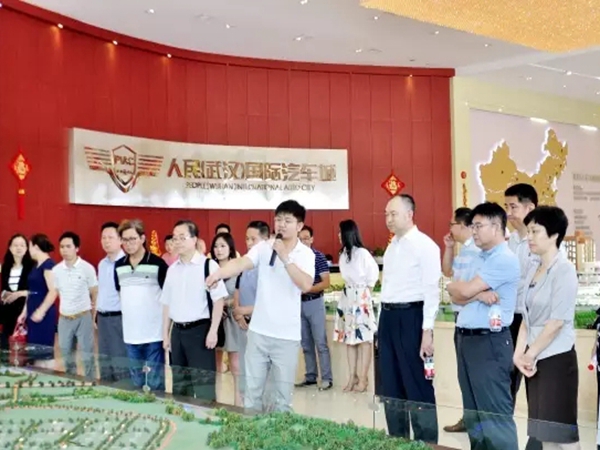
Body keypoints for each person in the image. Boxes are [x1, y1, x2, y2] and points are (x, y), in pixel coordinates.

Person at [206, 200, 315, 413]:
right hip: (258, 333)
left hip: (286, 337)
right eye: (278, 219)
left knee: (282, 399)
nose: (281, 224)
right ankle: (252, 432)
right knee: (252, 394)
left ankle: (278, 433)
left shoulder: (306, 254)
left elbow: (305, 284)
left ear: (299, 226)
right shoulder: (264, 248)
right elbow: (241, 263)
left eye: (287, 220)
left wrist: (285, 257)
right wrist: (219, 273)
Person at [447, 202, 520, 450]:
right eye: (473, 226)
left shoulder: (503, 259)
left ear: (496, 227)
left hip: (489, 342)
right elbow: (452, 292)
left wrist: (469, 292)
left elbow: (463, 290)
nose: (474, 231)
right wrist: (477, 294)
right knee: (473, 414)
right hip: (466, 340)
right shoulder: (477, 257)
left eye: (478, 226)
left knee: (494, 415)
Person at [514, 206, 580, 449]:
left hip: (556, 359)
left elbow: (556, 323)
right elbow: (526, 318)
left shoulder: (564, 270)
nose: (529, 237)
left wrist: (529, 354)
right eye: (529, 231)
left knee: (562, 436)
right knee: (544, 435)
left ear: (554, 235)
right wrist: (519, 354)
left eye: (536, 231)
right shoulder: (533, 269)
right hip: (534, 361)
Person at [379, 194, 440, 444]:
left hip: (412, 318)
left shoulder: (425, 246)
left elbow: (431, 291)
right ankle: (397, 441)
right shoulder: (392, 247)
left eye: (393, 214)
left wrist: (427, 331)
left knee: (417, 384)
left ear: (409, 214)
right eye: (386, 214)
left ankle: (426, 444)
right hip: (388, 318)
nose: (388, 219)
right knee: (391, 385)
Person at [161, 220, 227, 401]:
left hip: (200, 332)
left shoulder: (208, 266)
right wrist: (165, 334)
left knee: (204, 385)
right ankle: (183, 415)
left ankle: (207, 416)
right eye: (175, 238)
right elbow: (166, 303)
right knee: (180, 385)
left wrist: (213, 331)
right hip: (177, 332)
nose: (177, 242)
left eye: (182, 237)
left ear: (194, 239)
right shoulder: (172, 270)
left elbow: (219, 301)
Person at [115, 219, 168, 391]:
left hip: (154, 334)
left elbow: (168, 297)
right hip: (131, 335)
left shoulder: (158, 264)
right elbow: (121, 294)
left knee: (155, 383)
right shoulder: (119, 266)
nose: (128, 244)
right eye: (124, 240)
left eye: (132, 239)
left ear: (142, 238)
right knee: (136, 383)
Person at [442, 207, 480, 433]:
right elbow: (447, 271)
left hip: (472, 316)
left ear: (464, 225)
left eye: (452, 224)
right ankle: (468, 418)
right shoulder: (464, 250)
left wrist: (457, 292)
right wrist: (448, 248)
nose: (450, 228)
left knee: (472, 374)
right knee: (463, 373)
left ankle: (475, 421)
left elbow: (467, 290)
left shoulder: (477, 251)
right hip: (461, 317)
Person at [334, 219, 379, 393]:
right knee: (349, 340)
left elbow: (372, 276)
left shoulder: (362, 254)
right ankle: (352, 376)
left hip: (361, 298)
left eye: (341, 232)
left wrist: (364, 296)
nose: (339, 235)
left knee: (364, 340)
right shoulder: (343, 255)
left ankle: (363, 378)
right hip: (347, 297)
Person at [504, 183, 538, 403]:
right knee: (507, 379)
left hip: (533, 320)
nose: (508, 213)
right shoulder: (509, 241)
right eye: (506, 207)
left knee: (535, 381)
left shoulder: (543, 242)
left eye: (513, 207)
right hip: (510, 317)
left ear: (530, 208)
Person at [232, 220, 271, 404]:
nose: (248, 243)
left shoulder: (269, 266)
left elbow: (270, 301)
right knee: (245, 368)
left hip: (262, 325)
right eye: (247, 239)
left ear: (265, 240)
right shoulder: (246, 263)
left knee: (262, 372)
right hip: (243, 324)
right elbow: (237, 289)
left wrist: (246, 310)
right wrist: (238, 312)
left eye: (253, 239)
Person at [52, 232, 98, 379]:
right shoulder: (56, 270)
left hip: (83, 316)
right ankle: (70, 382)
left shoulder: (87, 268)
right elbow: (58, 293)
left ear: (77, 248)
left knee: (87, 355)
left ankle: (91, 384)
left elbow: (94, 292)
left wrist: (93, 316)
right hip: (64, 318)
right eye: (62, 247)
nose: (64, 250)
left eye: (68, 246)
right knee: (66, 355)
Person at [296, 225, 333, 391]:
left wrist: (307, 289)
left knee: (320, 342)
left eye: (306, 238)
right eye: (300, 239)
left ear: (312, 239)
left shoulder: (318, 257)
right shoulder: (294, 259)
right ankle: (310, 376)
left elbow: (326, 282)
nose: (303, 242)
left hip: (315, 302)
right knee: (305, 343)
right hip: (299, 304)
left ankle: (326, 378)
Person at [211, 231, 244, 405]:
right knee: (215, 365)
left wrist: (224, 303)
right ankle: (215, 401)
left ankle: (238, 403)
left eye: (223, 246)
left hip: (232, 319)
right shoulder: (211, 269)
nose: (219, 250)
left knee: (235, 364)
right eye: (216, 246)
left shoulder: (238, 268)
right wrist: (216, 307)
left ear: (230, 248)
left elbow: (241, 294)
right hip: (215, 322)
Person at [17, 234, 57, 367]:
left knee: (44, 349)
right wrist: (24, 312)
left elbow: (53, 291)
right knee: (34, 350)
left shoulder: (48, 265)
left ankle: (48, 375)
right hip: (32, 310)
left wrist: (41, 311)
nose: (28, 250)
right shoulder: (35, 266)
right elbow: (31, 291)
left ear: (35, 246)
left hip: (43, 313)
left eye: (29, 246)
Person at [96, 222, 128, 383]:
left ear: (120, 240)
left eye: (110, 237)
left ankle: (123, 392)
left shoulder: (126, 263)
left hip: (118, 318)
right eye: (103, 237)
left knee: (119, 360)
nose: (106, 241)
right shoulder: (102, 264)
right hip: (102, 318)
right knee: (104, 360)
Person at [0, 234, 34, 353]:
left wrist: (19, 294)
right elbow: (3, 288)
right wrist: (4, 294)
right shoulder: (6, 266)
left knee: (24, 349)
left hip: (25, 310)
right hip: (8, 311)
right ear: (10, 248)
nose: (18, 248)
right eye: (15, 245)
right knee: (6, 347)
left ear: (26, 248)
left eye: (22, 245)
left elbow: (36, 291)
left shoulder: (32, 267)